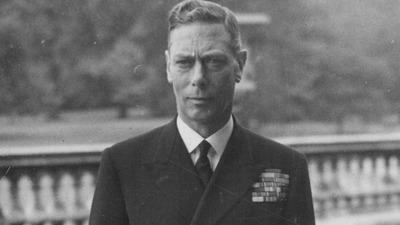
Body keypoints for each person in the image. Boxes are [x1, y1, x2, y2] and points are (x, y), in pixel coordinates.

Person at [89, 0, 315, 224]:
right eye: (184, 62)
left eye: (213, 61)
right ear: (169, 67)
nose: (198, 78)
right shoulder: (123, 166)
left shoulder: (285, 167)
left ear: (240, 65)